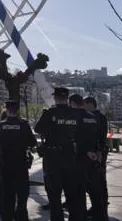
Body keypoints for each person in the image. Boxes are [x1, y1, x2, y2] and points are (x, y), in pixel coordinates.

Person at [34, 87, 85, 221]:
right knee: (72, 196)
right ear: (67, 98)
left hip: (53, 159)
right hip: (71, 158)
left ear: (56, 98)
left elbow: (37, 128)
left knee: (55, 198)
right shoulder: (76, 114)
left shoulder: (50, 113)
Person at [0, 100, 37, 221]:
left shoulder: (0, 126)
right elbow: (32, 142)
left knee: (7, 194)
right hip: (21, 163)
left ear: (6, 110)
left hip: (5, 164)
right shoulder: (24, 125)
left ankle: (7, 216)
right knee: (22, 193)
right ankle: (21, 216)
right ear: (17, 111)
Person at [71, 95, 107, 221]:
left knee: (80, 192)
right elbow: (100, 137)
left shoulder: (76, 117)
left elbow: (75, 138)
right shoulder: (96, 118)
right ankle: (100, 215)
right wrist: (99, 152)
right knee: (97, 189)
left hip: (80, 158)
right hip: (95, 157)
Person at [85, 96, 109, 216]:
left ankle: (100, 207)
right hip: (99, 151)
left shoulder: (95, 117)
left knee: (96, 181)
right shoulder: (101, 117)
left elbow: (101, 136)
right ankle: (100, 206)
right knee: (99, 181)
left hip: (97, 153)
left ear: (90, 104)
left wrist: (99, 152)